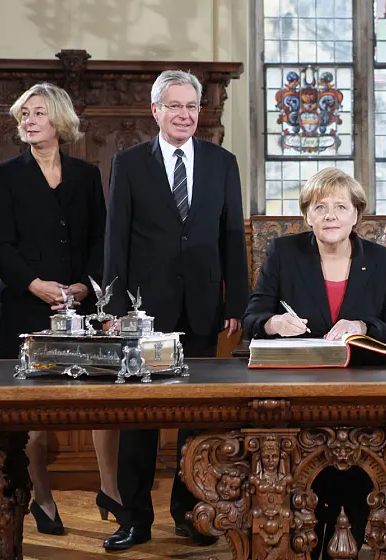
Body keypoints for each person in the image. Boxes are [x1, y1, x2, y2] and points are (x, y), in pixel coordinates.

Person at [102, 69, 249, 551]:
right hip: (144, 312)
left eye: (192, 107)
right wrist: (117, 307)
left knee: (197, 417)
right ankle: (134, 518)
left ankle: (190, 512)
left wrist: (236, 302)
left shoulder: (222, 162)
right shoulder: (129, 163)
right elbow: (115, 240)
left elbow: (231, 236)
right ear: (156, 111)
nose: (185, 115)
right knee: (139, 420)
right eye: (175, 106)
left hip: (204, 306)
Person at [243, 167, 386, 558]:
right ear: (307, 216)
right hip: (299, 390)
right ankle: (306, 538)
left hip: (363, 391)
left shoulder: (383, 261)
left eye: (340, 207)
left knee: (358, 465)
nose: (330, 215)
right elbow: (251, 319)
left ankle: (361, 530)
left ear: (356, 215)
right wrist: (274, 322)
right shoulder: (284, 253)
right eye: (320, 207)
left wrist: (362, 325)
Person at [0, 82, 122, 535]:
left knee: (103, 403)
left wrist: (85, 286)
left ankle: (112, 490)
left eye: (37, 113)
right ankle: (42, 499)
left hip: (80, 308)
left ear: (59, 120)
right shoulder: (6, 173)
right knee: (33, 413)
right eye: (23, 114)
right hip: (25, 307)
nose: (27, 120)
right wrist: (35, 285)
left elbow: (102, 238)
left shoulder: (85, 174)